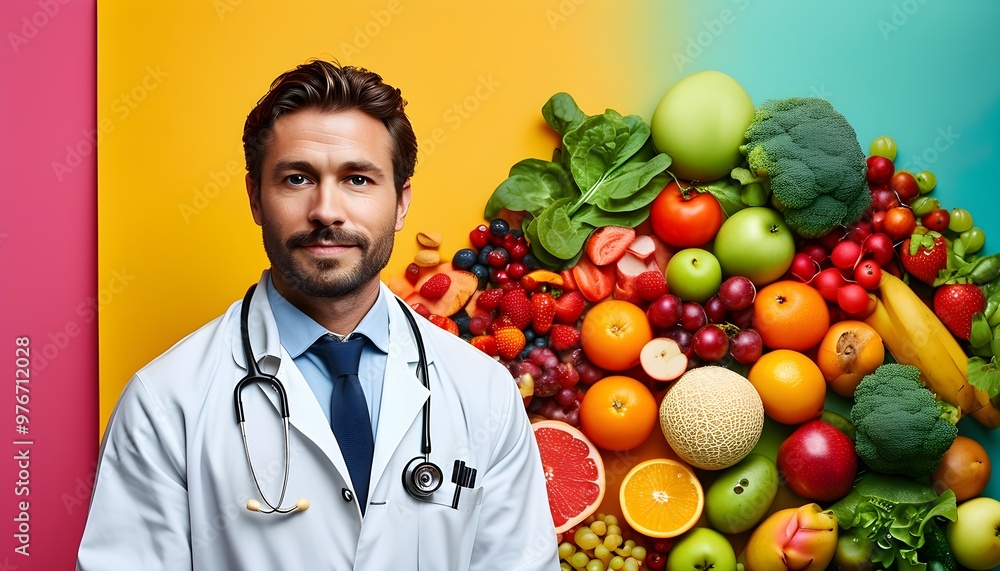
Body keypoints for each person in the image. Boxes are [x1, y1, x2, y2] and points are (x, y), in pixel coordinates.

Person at [77, 59, 560, 570]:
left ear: (400, 202)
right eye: (297, 178)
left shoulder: (483, 392)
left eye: (357, 179)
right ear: (255, 199)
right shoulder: (165, 403)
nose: (326, 210)